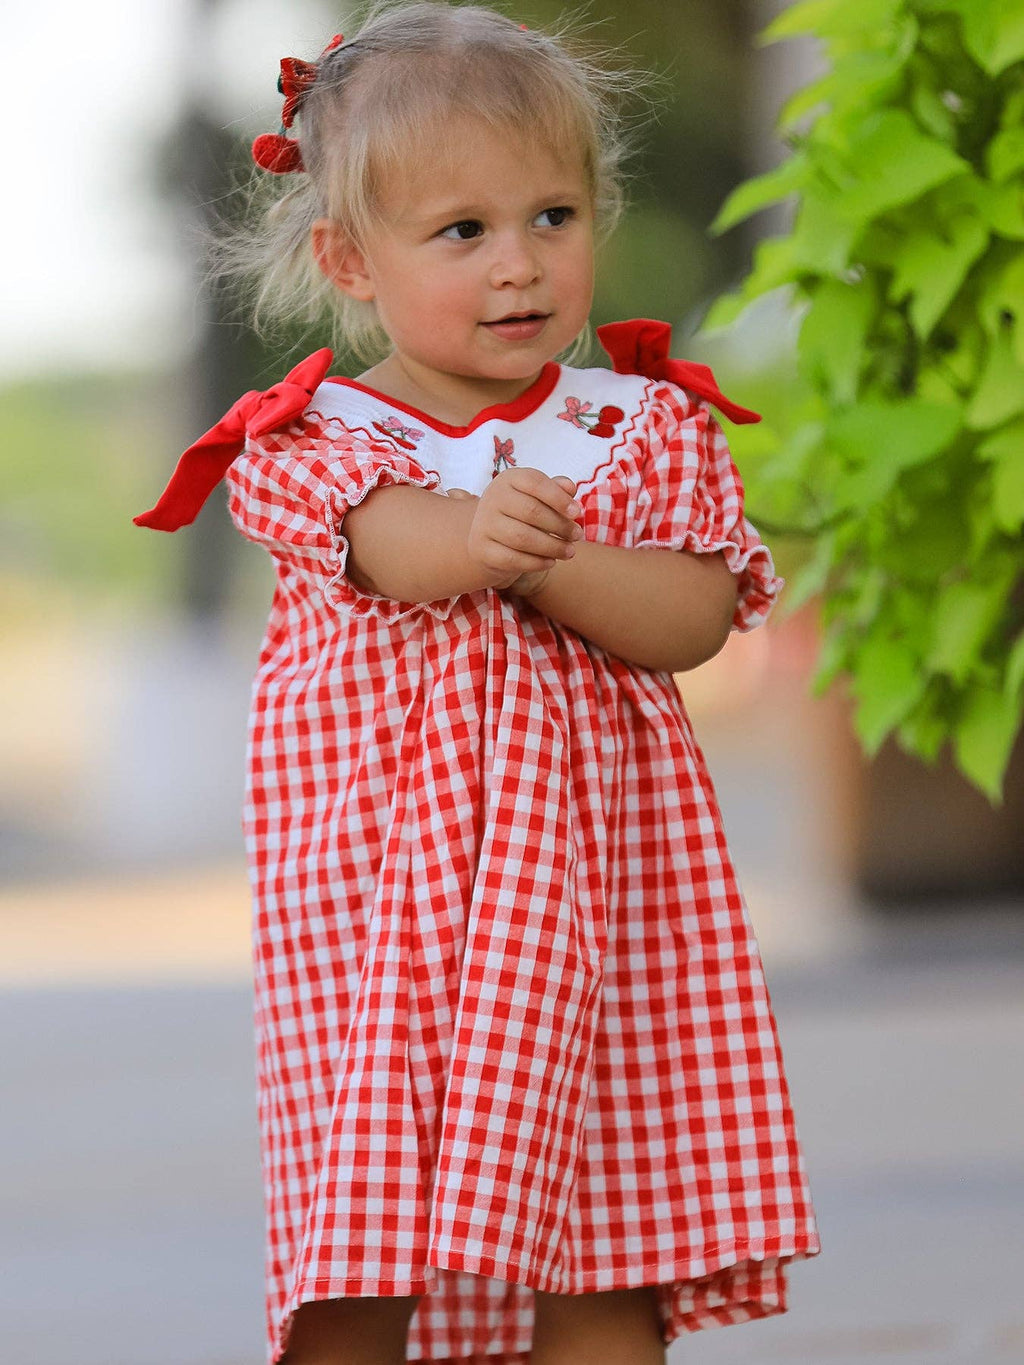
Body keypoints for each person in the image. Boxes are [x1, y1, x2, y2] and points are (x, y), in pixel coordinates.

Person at [135, 4, 821, 1362]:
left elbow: (694, 613)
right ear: (351, 258)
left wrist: (556, 563)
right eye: (463, 231)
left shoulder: (635, 425)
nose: (521, 264)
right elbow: (388, 552)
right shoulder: (320, 439)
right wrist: (485, 537)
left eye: (553, 216)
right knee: (365, 1223)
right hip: (384, 914)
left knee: (605, 1221)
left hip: (601, 906)